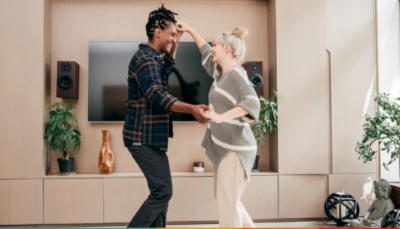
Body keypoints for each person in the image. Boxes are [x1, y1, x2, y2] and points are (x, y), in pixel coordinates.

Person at [123, 5, 210, 228]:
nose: (173, 38)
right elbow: (157, 95)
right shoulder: (145, 59)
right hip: (142, 137)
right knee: (162, 192)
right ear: (156, 30)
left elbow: (165, 69)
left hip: (149, 137)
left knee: (161, 193)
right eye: (171, 34)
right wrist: (191, 109)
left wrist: (176, 42)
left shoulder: (151, 57)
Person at [177, 21, 260, 228]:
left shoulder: (236, 74)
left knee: (227, 204)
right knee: (228, 201)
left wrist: (221, 117)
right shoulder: (220, 75)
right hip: (226, 148)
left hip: (236, 149)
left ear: (227, 48)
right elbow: (205, 51)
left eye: (215, 44)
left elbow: (252, 102)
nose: (211, 48)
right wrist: (190, 30)